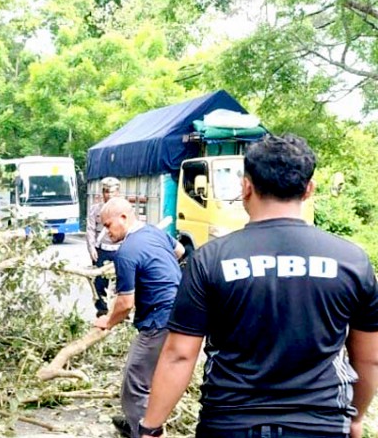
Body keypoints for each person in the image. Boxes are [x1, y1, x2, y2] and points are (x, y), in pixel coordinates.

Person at [139, 134, 378, 438]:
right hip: (321, 424)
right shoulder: (351, 261)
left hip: (229, 424)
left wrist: (151, 426)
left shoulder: (210, 259)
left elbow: (179, 354)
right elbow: (370, 357)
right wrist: (355, 418)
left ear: (246, 186)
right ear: (308, 190)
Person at [94, 197, 185, 438]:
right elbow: (180, 250)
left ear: (123, 218)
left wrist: (108, 321)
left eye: (107, 225)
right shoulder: (155, 233)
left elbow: (125, 303)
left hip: (159, 320)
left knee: (134, 383)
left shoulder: (126, 252)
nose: (106, 232)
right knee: (154, 375)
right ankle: (137, 423)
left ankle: (145, 432)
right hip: (180, 311)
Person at [86, 177, 122, 316]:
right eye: (106, 191)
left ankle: (119, 312)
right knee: (100, 283)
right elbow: (90, 229)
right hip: (102, 250)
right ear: (103, 193)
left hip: (119, 250)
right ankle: (102, 311)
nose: (109, 195)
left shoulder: (123, 210)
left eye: (112, 192)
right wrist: (91, 248)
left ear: (117, 193)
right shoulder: (96, 209)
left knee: (122, 282)